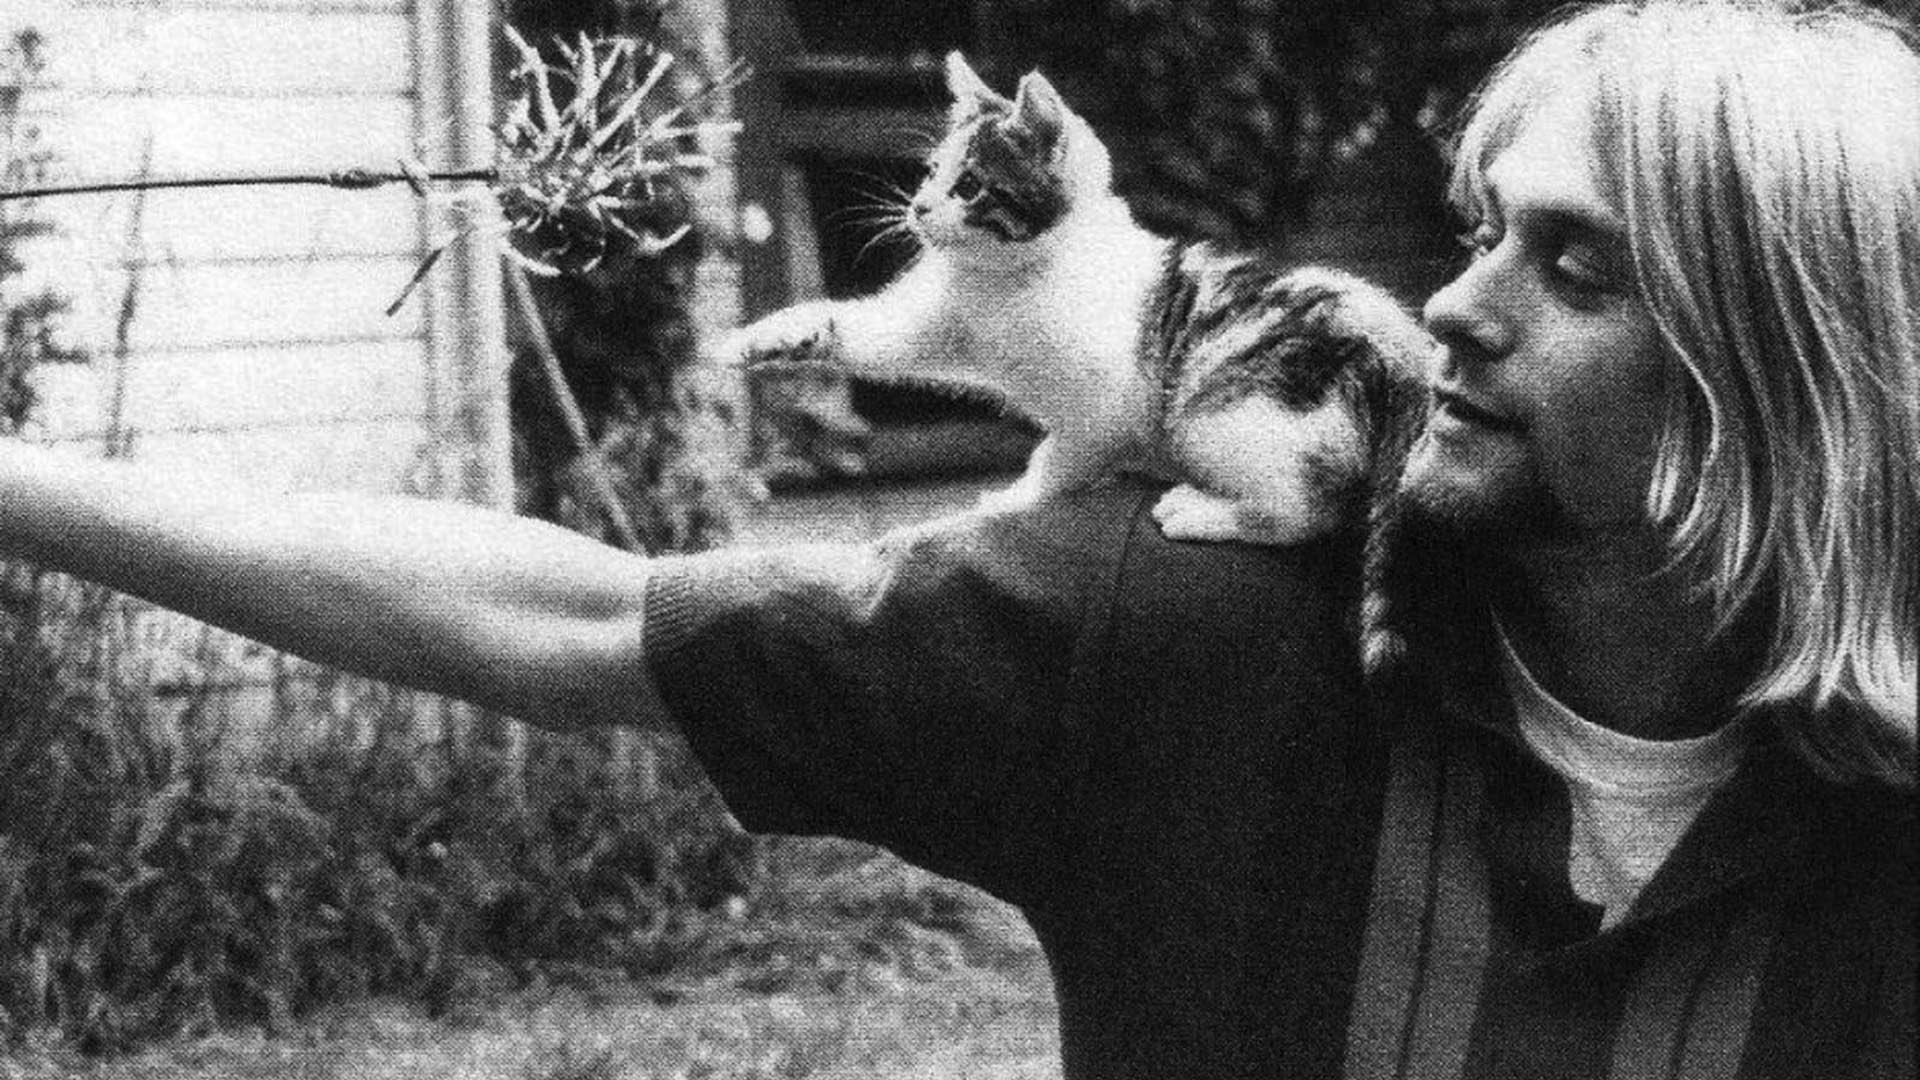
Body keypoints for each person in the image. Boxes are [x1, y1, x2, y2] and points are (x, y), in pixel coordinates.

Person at [1, 1, 1913, 1077]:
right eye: (1484, 227)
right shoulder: (1200, 624)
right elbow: (567, 624)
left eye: (1575, 265)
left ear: (1802, 360)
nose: (1457, 304)